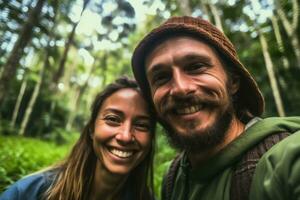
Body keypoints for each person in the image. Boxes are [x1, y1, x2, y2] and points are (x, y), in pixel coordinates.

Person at [131, 16, 300, 200]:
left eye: (196, 67)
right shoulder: (173, 180)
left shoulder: (288, 159)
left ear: (233, 81)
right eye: (161, 77)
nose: (180, 88)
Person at [0, 76, 156, 200]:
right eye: (113, 119)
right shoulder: (27, 193)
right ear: (91, 129)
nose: (125, 136)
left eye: (142, 125)